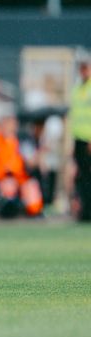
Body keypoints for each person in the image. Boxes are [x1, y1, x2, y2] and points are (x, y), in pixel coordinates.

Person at [69, 61, 91, 222]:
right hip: (79, 139)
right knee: (82, 177)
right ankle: (85, 212)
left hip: (89, 139)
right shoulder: (77, 89)